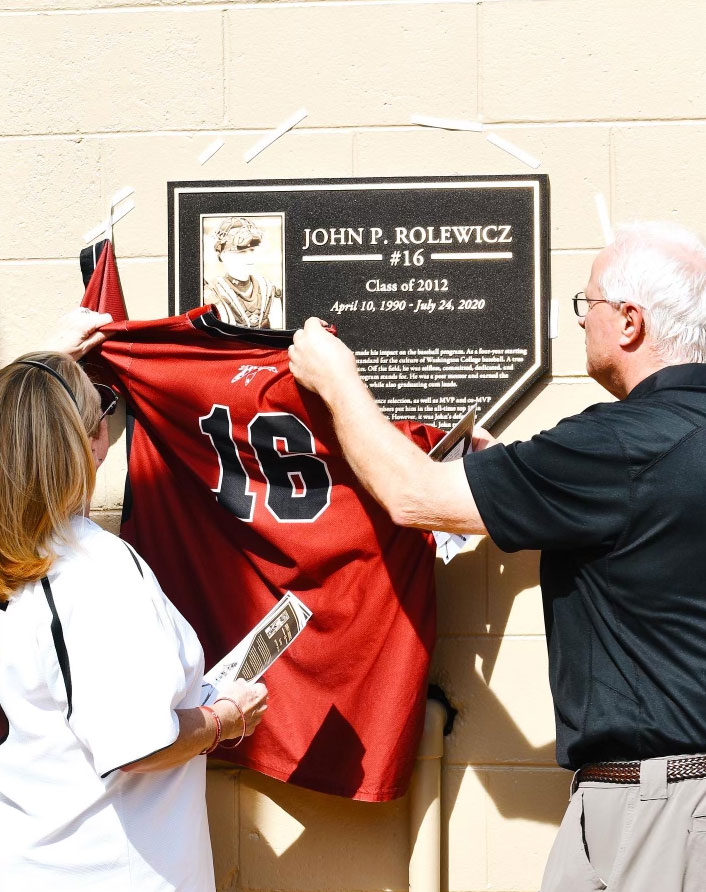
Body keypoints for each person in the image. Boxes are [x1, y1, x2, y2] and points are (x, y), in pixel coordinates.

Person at [287, 221, 706, 892]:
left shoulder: (619, 447)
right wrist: (512, 487)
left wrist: (337, 381)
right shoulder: (658, 450)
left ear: (630, 323)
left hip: (656, 811)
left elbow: (412, 496)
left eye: (587, 304)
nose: (580, 322)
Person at [0, 351, 269, 891]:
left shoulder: (22, 553)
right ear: (89, 441)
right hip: (109, 872)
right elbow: (138, 745)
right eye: (104, 409)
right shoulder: (92, 569)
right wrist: (224, 719)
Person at [203, 216, 283, 328]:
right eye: (241, 252)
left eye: (252, 250)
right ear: (222, 254)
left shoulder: (269, 290)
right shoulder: (212, 293)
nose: (249, 257)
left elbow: (280, 333)